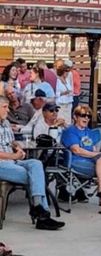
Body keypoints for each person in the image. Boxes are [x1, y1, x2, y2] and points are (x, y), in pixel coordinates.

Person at [0, 96, 65, 230]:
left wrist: (17, 148)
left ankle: (39, 210)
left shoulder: (5, 123)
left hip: (13, 161)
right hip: (2, 164)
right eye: (4, 107)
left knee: (36, 164)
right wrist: (13, 155)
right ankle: (42, 214)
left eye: (7, 107)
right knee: (36, 175)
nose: (8, 110)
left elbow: (11, 142)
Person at [61, 105, 101, 216]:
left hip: (90, 161)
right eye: (83, 115)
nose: (86, 118)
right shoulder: (70, 131)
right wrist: (96, 155)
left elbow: (94, 148)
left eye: (88, 116)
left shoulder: (88, 132)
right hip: (76, 162)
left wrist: (97, 155)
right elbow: (76, 150)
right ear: (75, 117)